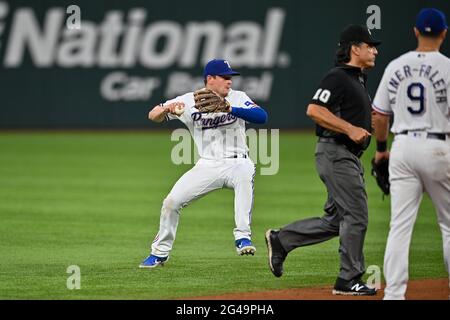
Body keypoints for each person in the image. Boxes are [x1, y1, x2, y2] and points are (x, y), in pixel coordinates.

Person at [265, 25, 380, 296]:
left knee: (336, 220)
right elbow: (314, 109)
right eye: (369, 45)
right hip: (337, 153)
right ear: (355, 49)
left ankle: (282, 240)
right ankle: (348, 279)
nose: (374, 50)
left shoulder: (357, 79)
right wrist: (351, 129)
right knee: (356, 215)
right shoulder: (338, 77)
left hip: (344, 155)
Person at [139, 59, 268, 268]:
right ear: (210, 79)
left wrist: (229, 108)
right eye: (225, 77)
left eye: (231, 77)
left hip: (238, 162)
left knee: (245, 175)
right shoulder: (189, 100)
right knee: (171, 202)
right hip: (207, 165)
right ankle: (159, 253)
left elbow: (262, 117)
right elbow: (153, 114)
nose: (229, 81)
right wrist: (167, 109)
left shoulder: (238, 97)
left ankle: (242, 237)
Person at [372, 8, 450, 300]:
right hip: (438, 145)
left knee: (400, 226)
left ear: (416, 32)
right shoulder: (447, 67)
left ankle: (393, 295)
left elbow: (379, 116)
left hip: (402, 146)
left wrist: (382, 151)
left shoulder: (395, 66)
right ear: (443, 33)